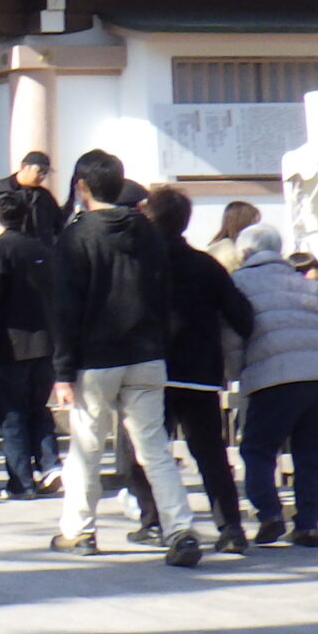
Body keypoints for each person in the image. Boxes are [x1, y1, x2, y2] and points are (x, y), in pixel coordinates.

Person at [48, 149, 201, 566]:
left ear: (81, 187)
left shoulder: (76, 236)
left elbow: (65, 308)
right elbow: (163, 292)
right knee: (153, 447)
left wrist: (62, 371)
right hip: (147, 354)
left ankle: (78, 531)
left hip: (95, 358)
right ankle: (180, 528)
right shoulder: (147, 231)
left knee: (87, 447)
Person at [128, 188, 253, 553]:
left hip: (151, 369)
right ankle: (230, 526)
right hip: (200, 371)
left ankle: (153, 520)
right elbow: (241, 316)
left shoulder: (138, 264)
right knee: (211, 453)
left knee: (147, 448)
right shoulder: (206, 265)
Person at [229, 223, 318, 546]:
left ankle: (270, 513)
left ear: (244, 252)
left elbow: (230, 337)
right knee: (313, 453)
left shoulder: (238, 283)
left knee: (258, 449)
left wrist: (236, 373)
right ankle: (308, 524)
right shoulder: (305, 284)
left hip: (272, 377)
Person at [0, 193, 60, 497]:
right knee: (38, 407)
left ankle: (20, 481)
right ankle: (50, 466)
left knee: (11, 413)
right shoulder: (43, 249)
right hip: (46, 342)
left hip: (11, 344)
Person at [0, 152, 63, 267]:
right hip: (6, 258)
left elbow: (59, 226)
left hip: (37, 263)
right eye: (39, 171)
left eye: (45, 173)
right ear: (24, 166)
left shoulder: (45, 196)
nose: (42, 176)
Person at [204, 201, 261, 272]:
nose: (256, 229)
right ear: (243, 223)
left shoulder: (219, 247)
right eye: (253, 224)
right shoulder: (231, 255)